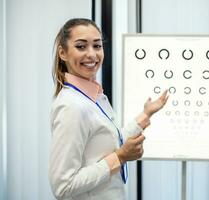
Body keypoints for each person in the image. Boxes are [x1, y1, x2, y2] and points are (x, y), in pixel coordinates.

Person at [49, 18, 168, 200]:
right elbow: (63, 186)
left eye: (97, 46)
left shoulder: (92, 97)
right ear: (63, 53)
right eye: (81, 47)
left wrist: (146, 114)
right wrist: (119, 157)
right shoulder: (72, 107)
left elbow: (111, 140)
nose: (92, 54)